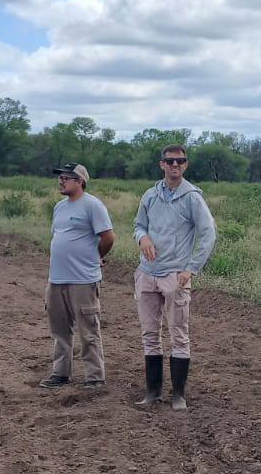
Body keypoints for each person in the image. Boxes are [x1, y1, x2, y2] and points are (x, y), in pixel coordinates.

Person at [132, 144, 216, 411]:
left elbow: (208, 233)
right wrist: (142, 237)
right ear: (162, 165)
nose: (175, 165)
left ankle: (178, 394)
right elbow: (139, 225)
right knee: (149, 333)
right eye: (170, 161)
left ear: (186, 165)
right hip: (147, 273)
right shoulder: (151, 195)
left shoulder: (192, 197)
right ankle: (153, 391)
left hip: (175, 275)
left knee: (178, 333)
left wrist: (191, 268)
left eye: (180, 161)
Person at [39, 163, 115, 390]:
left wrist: (94, 257)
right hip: (57, 279)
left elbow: (108, 238)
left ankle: (94, 377)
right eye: (60, 177)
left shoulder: (93, 205)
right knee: (60, 330)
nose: (61, 181)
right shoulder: (59, 207)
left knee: (88, 329)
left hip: (83, 279)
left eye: (67, 178)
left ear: (80, 181)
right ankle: (60, 373)